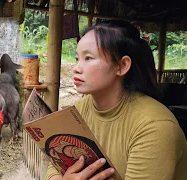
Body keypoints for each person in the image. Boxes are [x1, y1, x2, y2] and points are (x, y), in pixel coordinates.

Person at [46, 20, 187, 180]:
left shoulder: (155, 128)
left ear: (122, 66)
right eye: (77, 58)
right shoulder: (80, 109)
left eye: (88, 58)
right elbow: (55, 166)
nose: (76, 67)